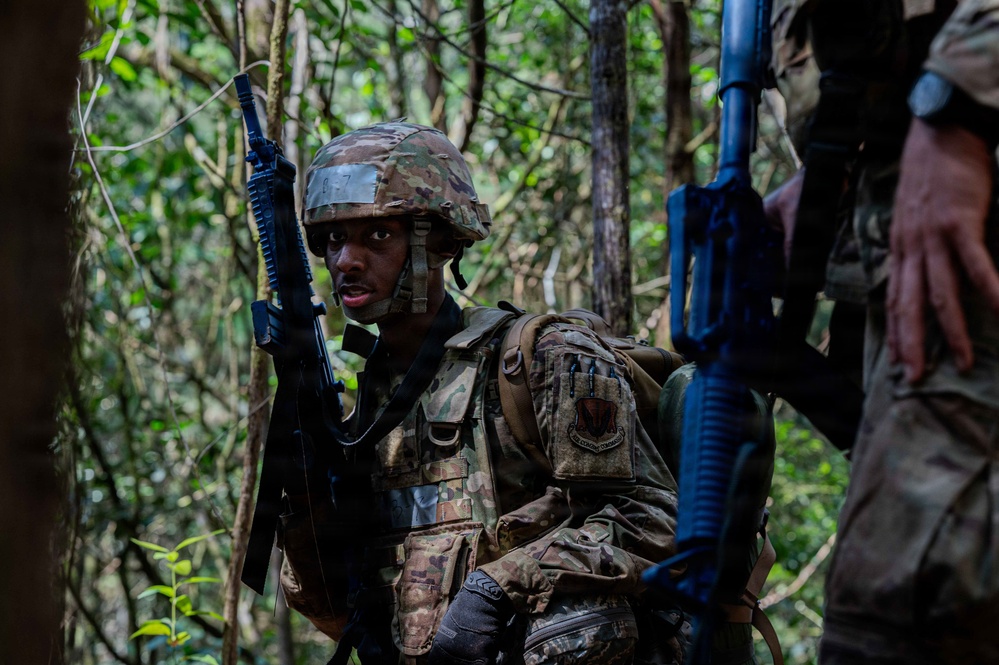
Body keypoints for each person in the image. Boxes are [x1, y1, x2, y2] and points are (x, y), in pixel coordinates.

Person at [275, 121, 689, 664]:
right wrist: (304, 496)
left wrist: (497, 588)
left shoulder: (543, 359)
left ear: (440, 241)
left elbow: (658, 519)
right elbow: (334, 609)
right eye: (333, 238)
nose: (346, 261)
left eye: (377, 236)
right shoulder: (368, 413)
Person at [765, 1, 999, 662]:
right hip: (896, 237)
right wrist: (828, 180)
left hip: (962, 211)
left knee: (907, 616)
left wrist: (957, 109)